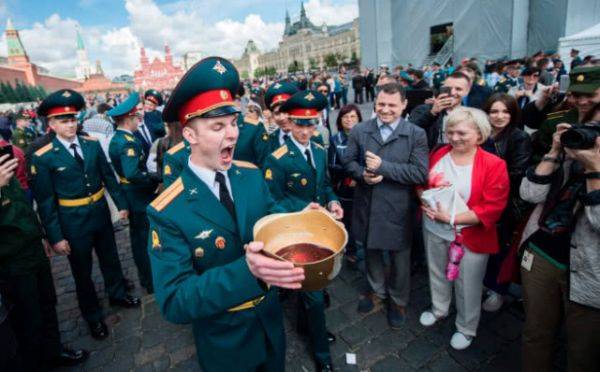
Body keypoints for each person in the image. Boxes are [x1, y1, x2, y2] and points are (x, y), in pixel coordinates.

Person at [148, 56, 305, 371]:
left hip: (271, 328)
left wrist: (302, 219)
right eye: (217, 126)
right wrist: (249, 272)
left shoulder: (250, 176)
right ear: (190, 135)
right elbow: (175, 300)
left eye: (233, 122)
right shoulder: (167, 210)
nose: (232, 134)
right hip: (225, 342)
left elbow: (270, 219)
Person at [30, 89, 140, 340]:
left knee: (110, 258)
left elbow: (108, 177)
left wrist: (121, 204)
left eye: (73, 119)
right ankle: (93, 316)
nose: (71, 124)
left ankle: (118, 293)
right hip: (72, 220)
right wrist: (55, 236)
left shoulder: (90, 144)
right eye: (64, 120)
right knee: (82, 273)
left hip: (99, 211)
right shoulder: (43, 157)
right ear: (52, 124)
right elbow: (45, 201)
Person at [263, 89, 342, 372]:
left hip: (320, 229)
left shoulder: (319, 151)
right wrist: (302, 209)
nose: (305, 131)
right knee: (314, 294)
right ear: (290, 122)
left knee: (312, 291)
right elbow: (271, 201)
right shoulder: (279, 158)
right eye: (299, 123)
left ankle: (307, 326)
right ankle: (322, 357)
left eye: (311, 124)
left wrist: (332, 201)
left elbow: (325, 186)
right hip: (297, 231)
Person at [418, 107, 509, 350]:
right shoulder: (439, 153)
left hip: (469, 235)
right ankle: (439, 308)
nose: (454, 138)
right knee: (436, 272)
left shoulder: (494, 164)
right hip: (433, 228)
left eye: (461, 133)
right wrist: (423, 198)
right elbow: (422, 182)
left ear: (480, 135)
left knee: (468, 283)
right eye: (450, 132)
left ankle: (467, 327)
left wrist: (451, 218)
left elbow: (492, 207)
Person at [342, 83, 429, 328]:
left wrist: (383, 168)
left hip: (398, 208)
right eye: (381, 104)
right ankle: (377, 291)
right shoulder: (360, 130)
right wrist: (362, 174)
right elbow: (348, 161)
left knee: (400, 259)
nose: (385, 109)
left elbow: (420, 173)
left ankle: (398, 299)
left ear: (403, 105)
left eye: (392, 105)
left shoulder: (415, 134)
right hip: (367, 204)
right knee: (370, 252)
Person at [518, 120, 600, 372]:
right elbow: (529, 193)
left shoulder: (590, 164)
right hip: (543, 255)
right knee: (536, 333)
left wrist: (594, 169)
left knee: (582, 351)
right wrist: (555, 152)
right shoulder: (569, 160)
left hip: (591, 274)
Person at [0, 153, 89, 371]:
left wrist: (41, 237)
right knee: (27, 316)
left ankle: (53, 351)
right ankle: (37, 361)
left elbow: (23, 208)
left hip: (32, 251)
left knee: (47, 304)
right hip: (11, 260)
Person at [480, 94, 532, 312]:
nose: (499, 116)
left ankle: (498, 290)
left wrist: (483, 183)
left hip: (504, 203)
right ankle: (483, 283)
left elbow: (516, 174)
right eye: (494, 111)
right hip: (477, 200)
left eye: (505, 111)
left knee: (499, 247)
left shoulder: (519, 138)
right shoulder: (480, 133)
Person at [107, 93, 158, 294]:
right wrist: (153, 179)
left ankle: (147, 278)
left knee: (139, 238)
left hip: (131, 193)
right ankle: (150, 280)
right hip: (138, 196)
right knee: (144, 239)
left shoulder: (119, 138)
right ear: (129, 119)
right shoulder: (128, 142)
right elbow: (133, 173)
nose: (139, 121)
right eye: (137, 117)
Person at [522, 66, 600, 160]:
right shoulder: (556, 122)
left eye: (590, 95)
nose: (582, 101)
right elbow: (537, 158)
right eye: (576, 95)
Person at [329, 104, 362, 265]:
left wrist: (360, 176)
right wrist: (351, 174)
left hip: (364, 185)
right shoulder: (335, 139)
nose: (349, 120)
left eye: (353, 117)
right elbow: (332, 165)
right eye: (345, 117)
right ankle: (350, 249)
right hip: (344, 186)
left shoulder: (366, 137)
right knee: (346, 219)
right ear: (340, 120)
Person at [410, 71, 472, 149]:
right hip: (430, 158)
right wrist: (432, 113)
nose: (452, 92)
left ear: (467, 91)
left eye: (458, 89)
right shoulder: (423, 109)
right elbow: (409, 132)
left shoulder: (471, 115)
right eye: (448, 89)